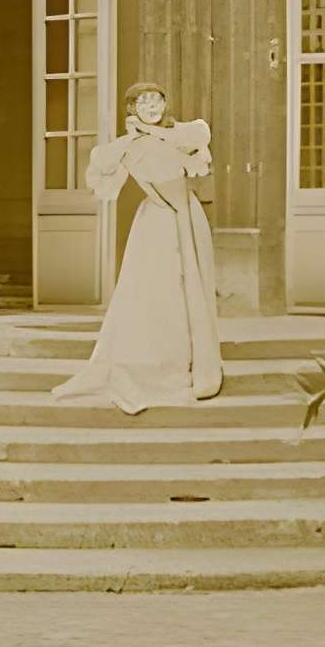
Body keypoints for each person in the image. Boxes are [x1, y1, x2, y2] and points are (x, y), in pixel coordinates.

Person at [51, 83, 224, 413]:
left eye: (156, 101)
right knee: (158, 290)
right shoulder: (129, 147)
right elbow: (105, 178)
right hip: (157, 222)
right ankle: (160, 359)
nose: (151, 107)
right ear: (131, 109)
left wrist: (153, 131)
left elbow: (197, 149)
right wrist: (140, 134)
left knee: (190, 285)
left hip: (188, 215)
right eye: (142, 103)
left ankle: (196, 361)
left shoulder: (183, 132)